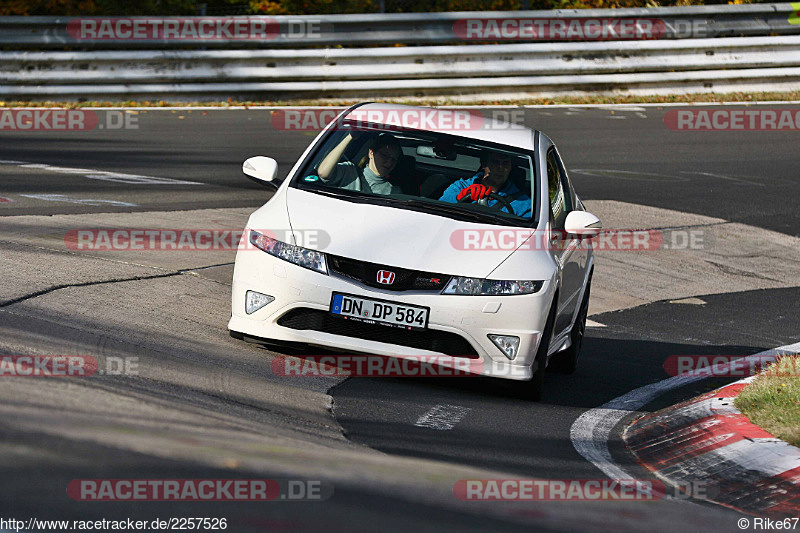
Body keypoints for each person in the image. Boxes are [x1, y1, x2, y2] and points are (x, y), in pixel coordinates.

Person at [439, 151, 532, 217]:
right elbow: (440, 206)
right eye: (495, 162)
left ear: (511, 167)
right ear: (484, 165)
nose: (501, 168)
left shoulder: (523, 202)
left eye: (506, 163)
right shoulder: (461, 186)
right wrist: (460, 196)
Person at [316, 133, 402, 195]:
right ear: (371, 153)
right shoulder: (349, 171)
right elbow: (323, 173)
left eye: (394, 159)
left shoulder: (393, 191)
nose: (390, 162)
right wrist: (350, 137)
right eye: (385, 155)